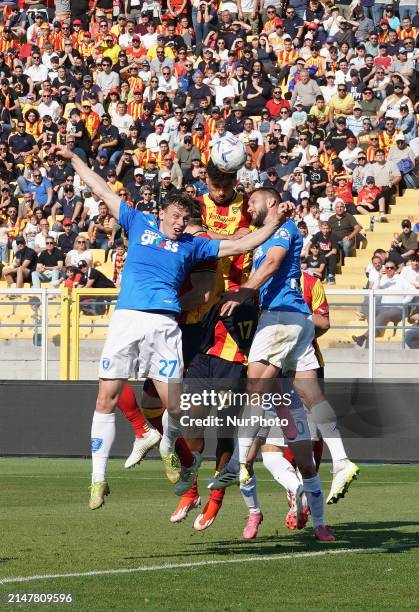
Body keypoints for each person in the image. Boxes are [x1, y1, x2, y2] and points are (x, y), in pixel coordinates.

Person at [50, 144, 289, 511]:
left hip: (165, 326)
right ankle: (98, 478)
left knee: (176, 409)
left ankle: (164, 445)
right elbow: (101, 189)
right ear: (162, 212)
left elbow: (242, 242)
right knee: (105, 398)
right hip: (128, 320)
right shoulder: (137, 221)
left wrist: (273, 223)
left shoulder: (195, 245)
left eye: (184, 219)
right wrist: (74, 160)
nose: (179, 223)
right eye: (175, 216)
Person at [218, 188, 337, 542]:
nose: (247, 208)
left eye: (252, 202)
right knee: (253, 455)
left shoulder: (299, 274)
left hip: (289, 369)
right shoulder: (260, 253)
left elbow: (323, 325)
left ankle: (318, 522)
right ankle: (255, 513)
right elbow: (241, 242)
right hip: (274, 376)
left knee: (300, 457)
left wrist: (247, 295)